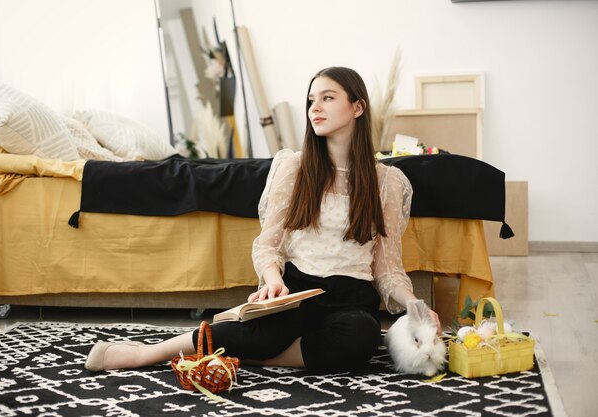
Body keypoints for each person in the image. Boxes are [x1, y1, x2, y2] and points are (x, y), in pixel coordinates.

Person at [84, 66, 441, 372]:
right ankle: (147, 353)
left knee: (361, 339)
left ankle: (252, 357)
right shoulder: (293, 168)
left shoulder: (387, 183)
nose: (314, 108)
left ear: (357, 106)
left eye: (327, 98)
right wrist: (273, 281)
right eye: (311, 100)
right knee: (262, 331)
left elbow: (387, 268)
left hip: (352, 297)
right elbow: (269, 245)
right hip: (296, 288)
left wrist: (414, 304)